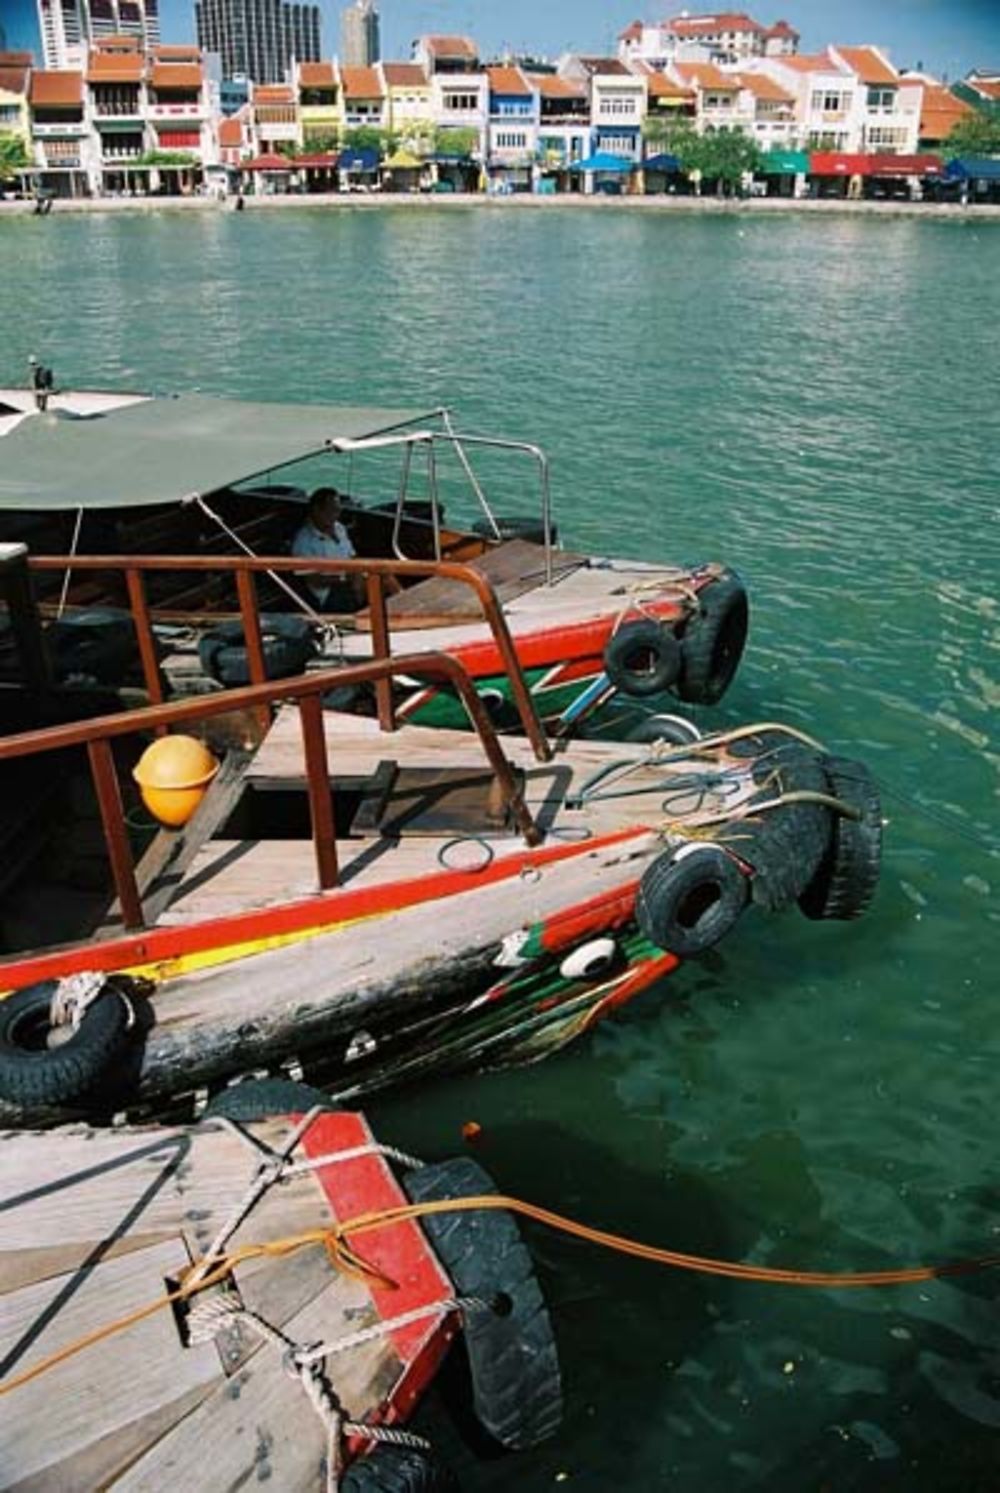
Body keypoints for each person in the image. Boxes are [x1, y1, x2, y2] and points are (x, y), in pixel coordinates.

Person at [291, 488, 363, 611]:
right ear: (317, 510)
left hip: (351, 577)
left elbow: (352, 555)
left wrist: (357, 573)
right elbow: (313, 579)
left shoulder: (339, 528)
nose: (337, 513)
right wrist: (345, 577)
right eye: (333, 510)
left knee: (384, 576)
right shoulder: (304, 542)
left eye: (338, 509)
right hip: (329, 592)